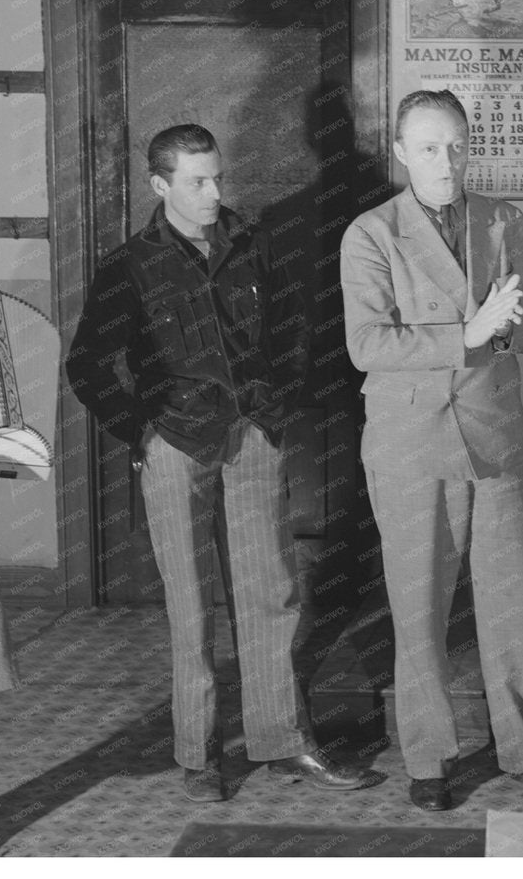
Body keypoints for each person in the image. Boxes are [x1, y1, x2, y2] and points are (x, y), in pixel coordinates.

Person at [67, 124, 377, 802]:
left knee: (272, 594)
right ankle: (199, 754)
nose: (214, 192)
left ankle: (283, 739)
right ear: (160, 186)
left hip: (253, 436)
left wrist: (277, 405)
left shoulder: (252, 246)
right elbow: (87, 365)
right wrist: (140, 433)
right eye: (196, 181)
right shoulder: (130, 265)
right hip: (175, 445)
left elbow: (293, 329)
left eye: (216, 177)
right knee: (190, 608)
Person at [339, 89, 523, 812]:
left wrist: (511, 329)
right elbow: (367, 344)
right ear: (399, 151)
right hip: (409, 438)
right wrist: (471, 329)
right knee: (418, 605)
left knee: (514, 599)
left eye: (456, 144)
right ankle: (428, 758)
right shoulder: (370, 233)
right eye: (428, 147)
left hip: (491, 429)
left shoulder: (502, 218)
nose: (446, 161)